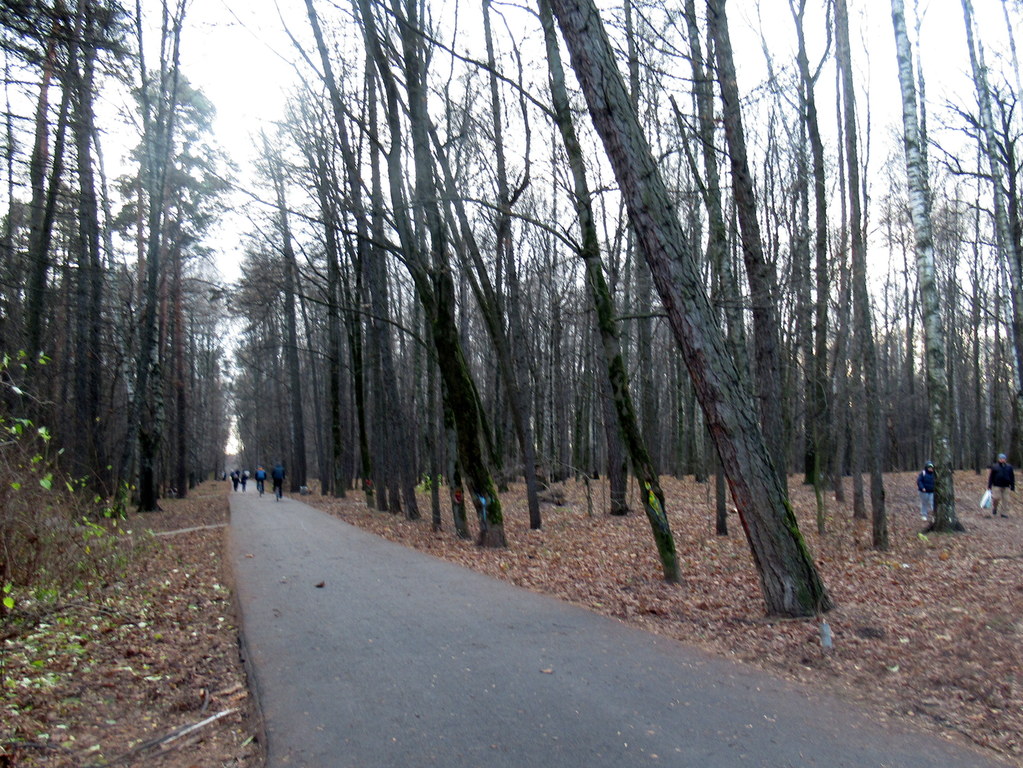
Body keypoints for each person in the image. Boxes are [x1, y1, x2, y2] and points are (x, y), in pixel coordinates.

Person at [987, 453, 1015, 518]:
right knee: (996, 498)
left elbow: (1012, 476)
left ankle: (1004, 513)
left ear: (1005, 460)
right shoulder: (995, 466)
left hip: (1006, 486)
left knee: (1006, 500)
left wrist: (1012, 486)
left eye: (1004, 459)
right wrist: (989, 486)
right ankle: (995, 508)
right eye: (1001, 459)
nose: (1003, 460)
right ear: (999, 459)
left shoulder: (1009, 467)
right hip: (996, 485)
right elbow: (991, 477)